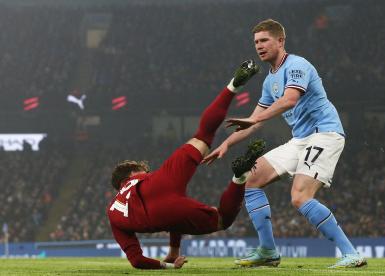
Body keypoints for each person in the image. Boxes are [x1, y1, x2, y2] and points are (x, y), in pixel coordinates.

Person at [204, 19, 366, 268]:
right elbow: (253, 122)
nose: (259, 46)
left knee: (299, 196)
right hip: (301, 139)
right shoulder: (270, 81)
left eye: (265, 40)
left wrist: (254, 119)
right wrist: (226, 144)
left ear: (280, 41)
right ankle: (268, 251)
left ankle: (351, 253)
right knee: (251, 180)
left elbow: (290, 100)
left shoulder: (297, 65)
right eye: (256, 42)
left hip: (324, 133)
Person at [107, 60, 264, 269]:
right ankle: (233, 86)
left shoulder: (113, 212)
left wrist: (171, 263)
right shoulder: (142, 177)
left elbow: (137, 261)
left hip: (156, 214)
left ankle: (240, 176)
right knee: (203, 136)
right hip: (161, 181)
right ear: (134, 173)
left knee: (223, 220)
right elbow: (169, 208)